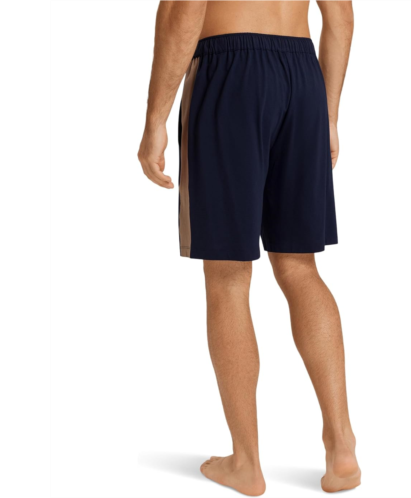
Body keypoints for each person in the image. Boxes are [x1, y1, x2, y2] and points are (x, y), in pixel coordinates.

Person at [138, 1, 358, 495]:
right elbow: (341, 16)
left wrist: (155, 118)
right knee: (300, 266)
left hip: (229, 70)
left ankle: (246, 461)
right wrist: (328, 114)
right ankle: (341, 445)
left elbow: (184, 10)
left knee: (228, 275)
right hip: (302, 74)